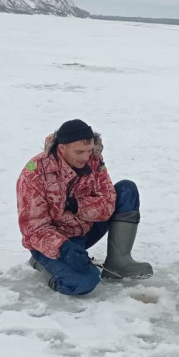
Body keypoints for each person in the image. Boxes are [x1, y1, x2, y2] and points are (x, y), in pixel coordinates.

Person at [17, 119, 153, 295]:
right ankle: (41, 263)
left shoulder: (94, 161)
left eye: (88, 151)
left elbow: (108, 203)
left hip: (84, 229)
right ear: (62, 148)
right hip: (52, 242)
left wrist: (77, 205)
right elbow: (33, 228)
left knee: (127, 189)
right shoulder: (34, 174)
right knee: (83, 283)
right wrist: (63, 248)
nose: (85, 157)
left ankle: (119, 262)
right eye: (79, 152)